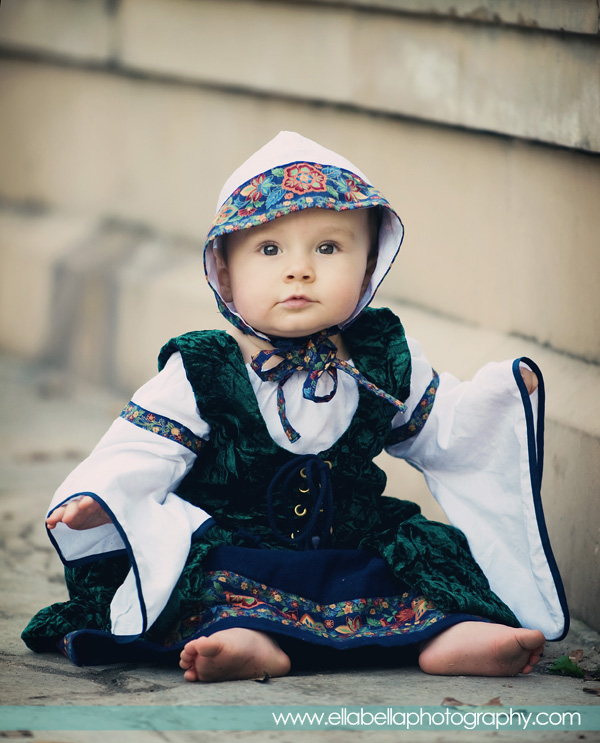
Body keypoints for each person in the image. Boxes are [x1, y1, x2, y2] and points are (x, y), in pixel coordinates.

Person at [23, 131, 568, 682]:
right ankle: (246, 639)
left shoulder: (380, 357)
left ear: (369, 265)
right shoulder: (206, 367)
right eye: (269, 250)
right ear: (225, 274)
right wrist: (105, 493)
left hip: (353, 541)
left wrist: (497, 396)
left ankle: (454, 633)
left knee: (426, 555)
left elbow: (441, 427)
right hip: (242, 542)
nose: (300, 270)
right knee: (206, 573)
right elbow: (147, 445)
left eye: (328, 249)